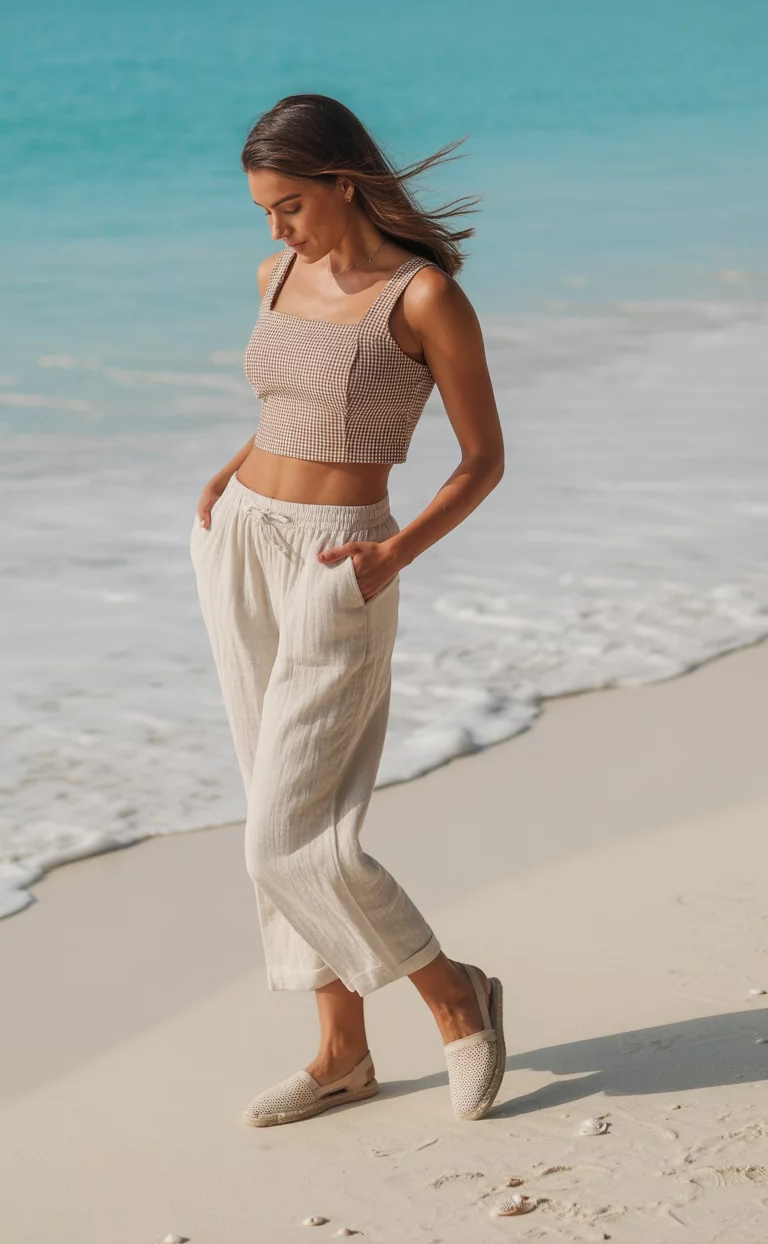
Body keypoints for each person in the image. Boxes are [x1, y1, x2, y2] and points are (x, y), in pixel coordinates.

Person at [189, 93, 506, 1128]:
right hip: (238, 539)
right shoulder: (277, 273)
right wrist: (234, 472)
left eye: (289, 206)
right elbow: (288, 402)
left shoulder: (423, 299)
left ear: (345, 184)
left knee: (290, 837)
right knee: (271, 807)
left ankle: (455, 993)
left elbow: (482, 460)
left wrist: (393, 554)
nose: (275, 230)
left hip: (342, 561)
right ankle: (340, 1054)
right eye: (262, 212)